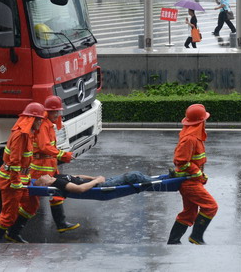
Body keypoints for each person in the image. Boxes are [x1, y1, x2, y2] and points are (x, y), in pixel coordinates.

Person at [21, 95, 78, 234]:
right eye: (54, 112)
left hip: (49, 165)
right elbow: (44, 147)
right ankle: (12, 229)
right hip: (41, 167)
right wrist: (63, 155)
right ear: (48, 111)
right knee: (31, 202)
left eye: (58, 111)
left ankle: (61, 224)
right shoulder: (43, 125)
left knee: (57, 191)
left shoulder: (48, 125)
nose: (57, 114)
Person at [0, 102, 45, 244]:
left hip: (22, 179)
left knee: (31, 204)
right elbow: (15, 161)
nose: (40, 122)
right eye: (39, 119)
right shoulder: (21, 135)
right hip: (11, 181)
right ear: (31, 119)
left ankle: (13, 234)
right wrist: (15, 182)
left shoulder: (29, 134)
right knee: (9, 214)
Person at [167, 104, 218, 245]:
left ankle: (173, 241)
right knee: (211, 206)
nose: (206, 122)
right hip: (189, 183)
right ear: (200, 121)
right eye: (204, 120)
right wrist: (197, 173)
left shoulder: (194, 137)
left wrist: (200, 175)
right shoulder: (190, 139)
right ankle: (196, 237)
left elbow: (192, 161)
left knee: (189, 212)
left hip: (191, 180)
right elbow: (180, 161)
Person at [34, 171, 157, 193]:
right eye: (41, 178)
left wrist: (93, 177)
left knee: (135, 175)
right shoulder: (58, 183)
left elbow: (77, 176)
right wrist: (96, 181)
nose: (44, 175)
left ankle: (160, 180)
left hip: (97, 181)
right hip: (99, 186)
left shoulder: (56, 176)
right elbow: (80, 189)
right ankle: (160, 182)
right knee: (134, 176)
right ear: (45, 184)